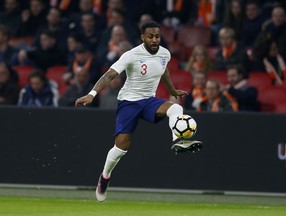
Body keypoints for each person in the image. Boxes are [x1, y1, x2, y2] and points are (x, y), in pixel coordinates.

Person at [75, 21, 203, 202]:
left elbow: (164, 72)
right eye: (150, 36)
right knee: (120, 148)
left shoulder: (165, 53)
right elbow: (111, 74)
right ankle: (105, 177)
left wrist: (173, 91)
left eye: (157, 36)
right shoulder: (131, 55)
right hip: (129, 103)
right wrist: (92, 94)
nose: (154, 40)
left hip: (149, 101)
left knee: (176, 107)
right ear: (143, 37)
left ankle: (178, 140)